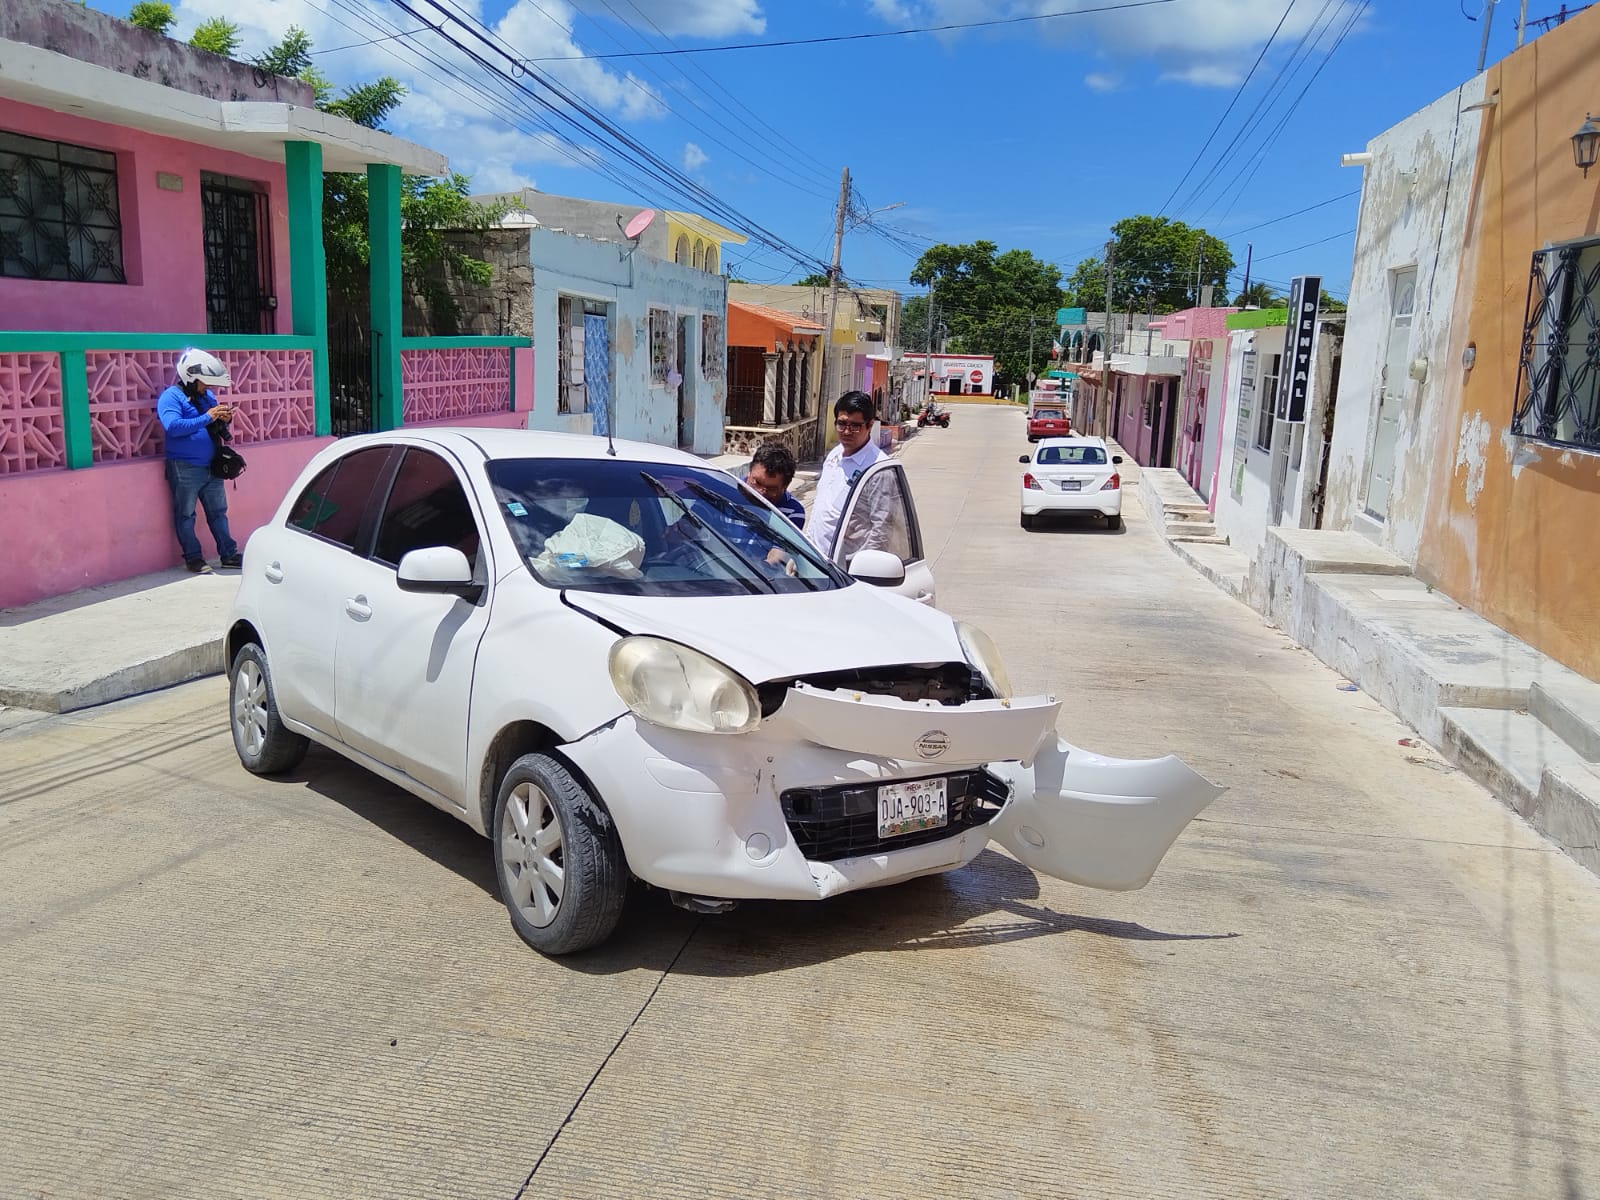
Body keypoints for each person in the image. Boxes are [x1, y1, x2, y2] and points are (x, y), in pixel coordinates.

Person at [157, 348, 240, 573]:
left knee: (218, 513)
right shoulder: (170, 397)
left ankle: (229, 554)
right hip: (185, 468)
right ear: (190, 378)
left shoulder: (207, 397)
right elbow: (173, 427)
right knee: (186, 514)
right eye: (204, 382)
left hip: (212, 466)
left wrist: (223, 418)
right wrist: (207, 417)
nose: (208, 388)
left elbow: (210, 422)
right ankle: (193, 558)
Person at [807, 390, 888, 561]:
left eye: (855, 426)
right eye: (842, 424)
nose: (846, 431)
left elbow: (882, 530)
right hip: (818, 562)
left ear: (869, 425)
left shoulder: (878, 469)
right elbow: (821, 509)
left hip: (847, 571)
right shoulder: (834, 456)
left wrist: (862, 569)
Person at [744, 441, 806, 529]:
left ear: (785, 486)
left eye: (771, 489)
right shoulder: (727, 494)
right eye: (757, 482)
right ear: (749, 473)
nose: (761, 493)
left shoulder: (793, 513)